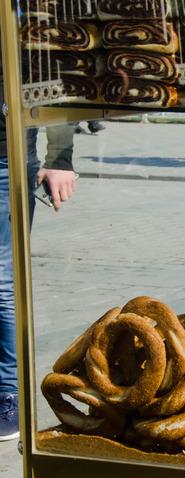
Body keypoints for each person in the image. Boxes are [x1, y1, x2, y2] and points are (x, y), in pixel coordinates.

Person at [1, 59, 77, 440]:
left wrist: (59, 157)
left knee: (1, 281)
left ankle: (8, 394)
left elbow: (49, 65)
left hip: (5, 156)